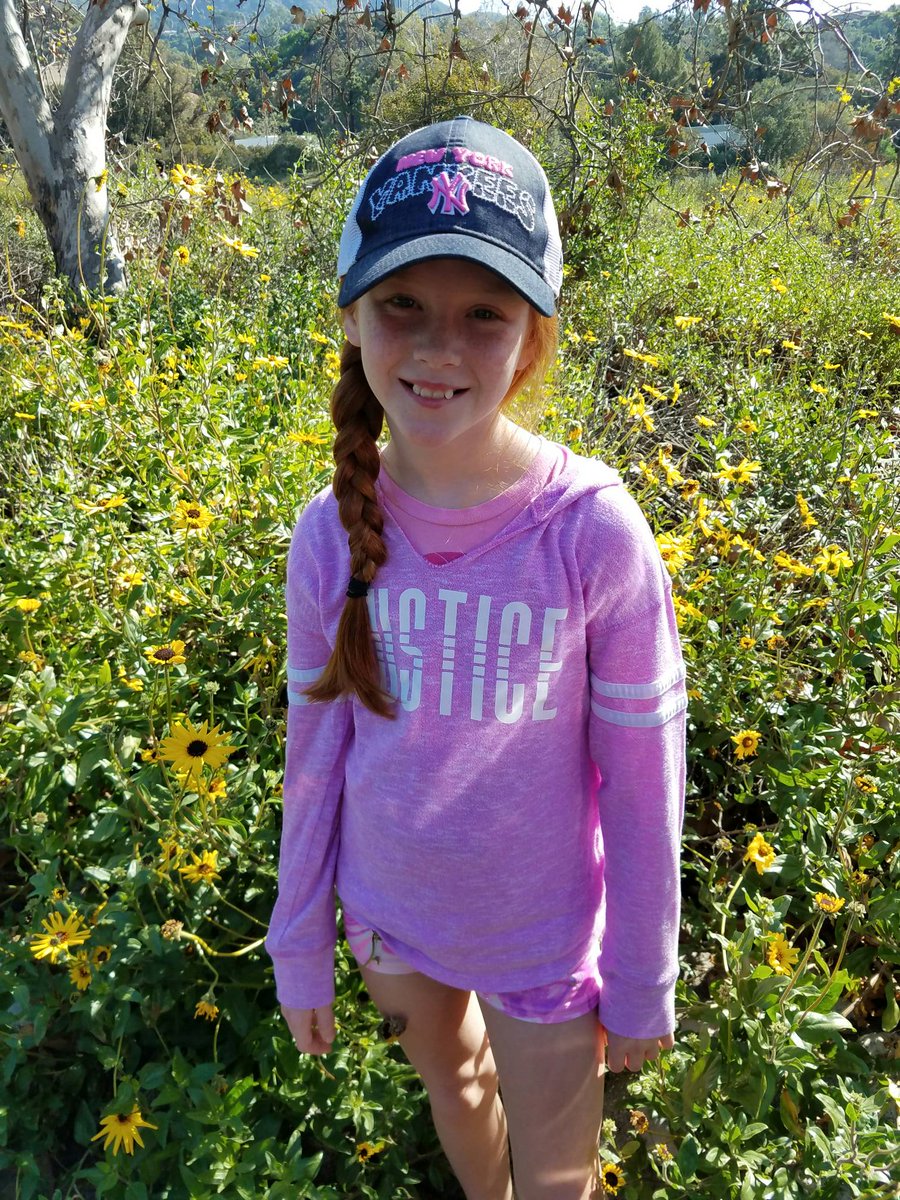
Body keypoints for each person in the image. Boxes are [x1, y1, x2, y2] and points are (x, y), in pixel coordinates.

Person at [266, 116, 686, 1200]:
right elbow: (315, 750)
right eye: (401, 303)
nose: (439, 346)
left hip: (542, 943)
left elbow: (645, 783)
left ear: (533, 339)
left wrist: (639, 978)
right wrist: (300, 939)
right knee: (453, 1086)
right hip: (390, 921)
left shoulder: (592, 532)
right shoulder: (330, 531)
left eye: (483, 313)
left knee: (556, 1178)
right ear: (352, 316)